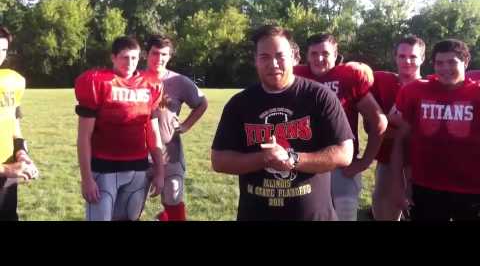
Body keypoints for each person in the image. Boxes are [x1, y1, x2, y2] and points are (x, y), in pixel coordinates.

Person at [211, 24, 354, 221]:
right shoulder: (239, 104)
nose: (273, 63)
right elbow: (219, 160)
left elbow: (344, 153)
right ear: (255, 60)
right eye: (264, 57)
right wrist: (264, 159)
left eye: (280, 55)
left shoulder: (320, 97)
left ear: (295, 57)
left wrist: (293, 159)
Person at [294, 34, 387, 221]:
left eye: (325, 53)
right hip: (305, 163)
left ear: (336, 55)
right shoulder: (297, 75)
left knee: (345, 215)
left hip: (341, 164)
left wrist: (364, 162)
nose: (319, 58)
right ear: (307, 55)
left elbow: (379, 122)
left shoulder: (347, 77)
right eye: (314, 53)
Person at [75, 36, 165, 221]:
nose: (130, 63)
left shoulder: (151, 84)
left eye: (134, 58)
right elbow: (84, 136)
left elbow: (153, 132)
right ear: (113, 57)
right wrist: (86, 178)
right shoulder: (96, 82)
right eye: (124, 57)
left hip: (138, 168)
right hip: (104, 167)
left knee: (130, 218)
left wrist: (160, 171)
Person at [391, 39, 480, 220]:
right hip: (426, 187)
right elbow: (401, 141)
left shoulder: (477, 94)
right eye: (439, 63)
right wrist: (398, 186)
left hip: (472, 189)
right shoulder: (415, 91)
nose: (445, 68)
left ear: (466, 62)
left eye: (452, 62)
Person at [145, 35, 208, 221]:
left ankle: (165, 217)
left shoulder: (179, 81)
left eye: (163, 54)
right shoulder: (135, 79)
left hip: (170, 152)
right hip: (138, 154)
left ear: (169, 56)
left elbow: (202, 103)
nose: (159, 58)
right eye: (154, 53)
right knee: (131, 207)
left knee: (173, 196)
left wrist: (186, 125)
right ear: (146, 54)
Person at [370, 35, 425, 220]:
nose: (407, 61)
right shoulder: (382, 80)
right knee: (384, 212)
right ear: (395, 57)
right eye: (402, 56)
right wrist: (382, 118)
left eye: (413, 56)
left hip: (420, 162)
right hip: (387, 157)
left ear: (422, 59)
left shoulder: (430, 88)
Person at [0, 26, 39, 221]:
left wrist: (21, 153)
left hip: (8, 171)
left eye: (3, 50)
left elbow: (14, 128)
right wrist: (6, 169)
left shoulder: (10, 82)